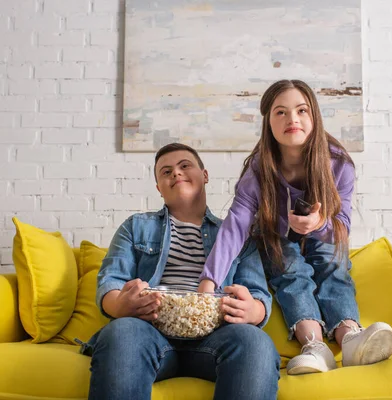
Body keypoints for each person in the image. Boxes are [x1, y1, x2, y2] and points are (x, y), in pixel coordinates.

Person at [198, 79, 392, 375]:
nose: (292, 119)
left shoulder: (339, 164)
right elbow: (235, 225)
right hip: (276, 239)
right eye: (281, 112)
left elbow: (342, 226)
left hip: (324, 236)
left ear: (314, 116)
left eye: (302, 110)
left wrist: (319, 224)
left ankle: (350, 337)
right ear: (268, 123)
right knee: (290, 268)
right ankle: (314, 345)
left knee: (332, 262)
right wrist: (208, 281)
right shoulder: (258, 171)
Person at [84, 143, 280, 400]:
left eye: (184, 166)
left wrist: (253, 310)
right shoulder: (135, 228)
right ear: (158, 188)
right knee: (122, 332)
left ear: (205, 175)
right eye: (166, 172)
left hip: (218, 337)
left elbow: (257, 294)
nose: (175, 173)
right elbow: (110, 282)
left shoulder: (237, 236)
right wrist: (120, 306)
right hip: (148, 332)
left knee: (256, 343)